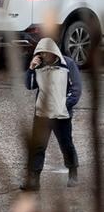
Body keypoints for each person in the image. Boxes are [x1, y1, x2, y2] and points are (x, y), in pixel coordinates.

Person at [21, 37, 81, 191]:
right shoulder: (39, 66)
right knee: (38, 146)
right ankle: (34, 180)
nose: (44, 56)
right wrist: (31, 68)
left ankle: (73, 171)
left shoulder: (68, 64)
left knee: (66, 144)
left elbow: (76, 90)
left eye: (46, 53)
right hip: (42, 113)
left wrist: (63, 106)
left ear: (53, 52)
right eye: (41, 53)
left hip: (61, 114)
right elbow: (29, 85)